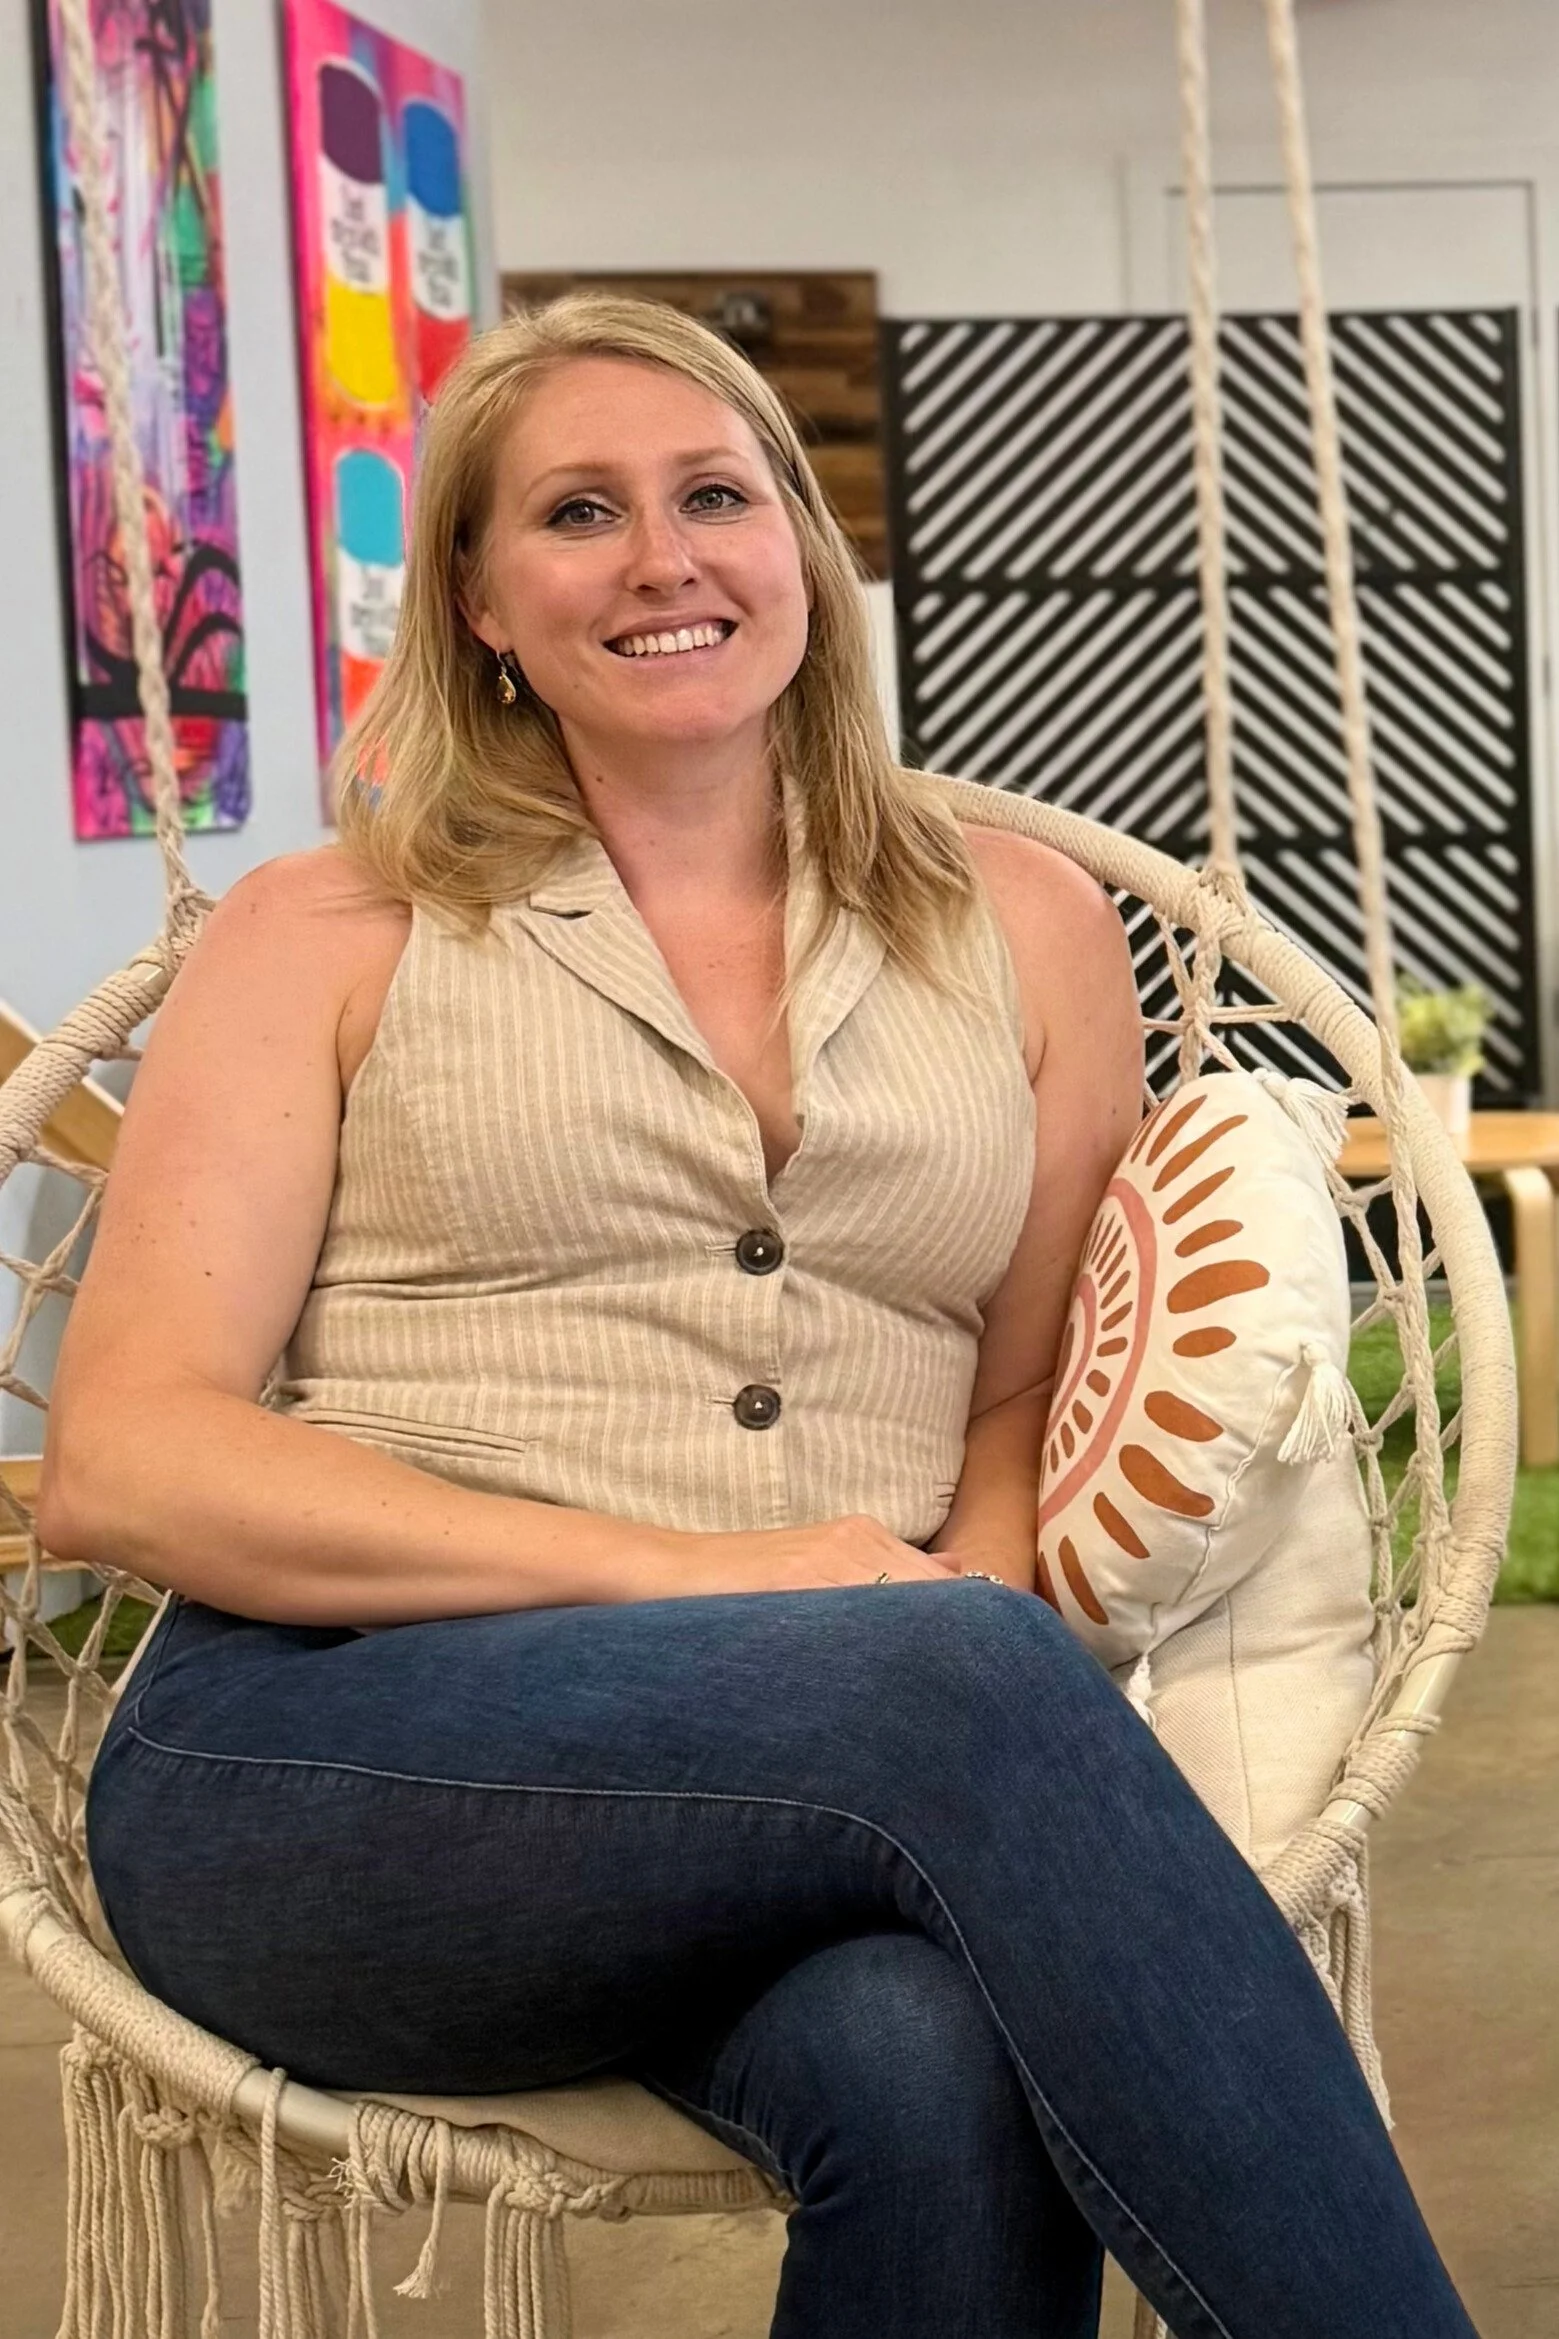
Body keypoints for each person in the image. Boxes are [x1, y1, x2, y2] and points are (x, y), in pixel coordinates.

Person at [43, 294, 1478, 2339]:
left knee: (927, 2054)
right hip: (325, 1765)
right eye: (578, 513)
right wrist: (753, 1592)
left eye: (718, 495)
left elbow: (1009, 1390)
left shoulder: (1025, 928)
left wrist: (935, 1615)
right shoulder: (326, 927)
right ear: (477, 599)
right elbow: (126, 1457)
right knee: (945, 1677)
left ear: (801, 548)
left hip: (840, 1763)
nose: (663, 557)